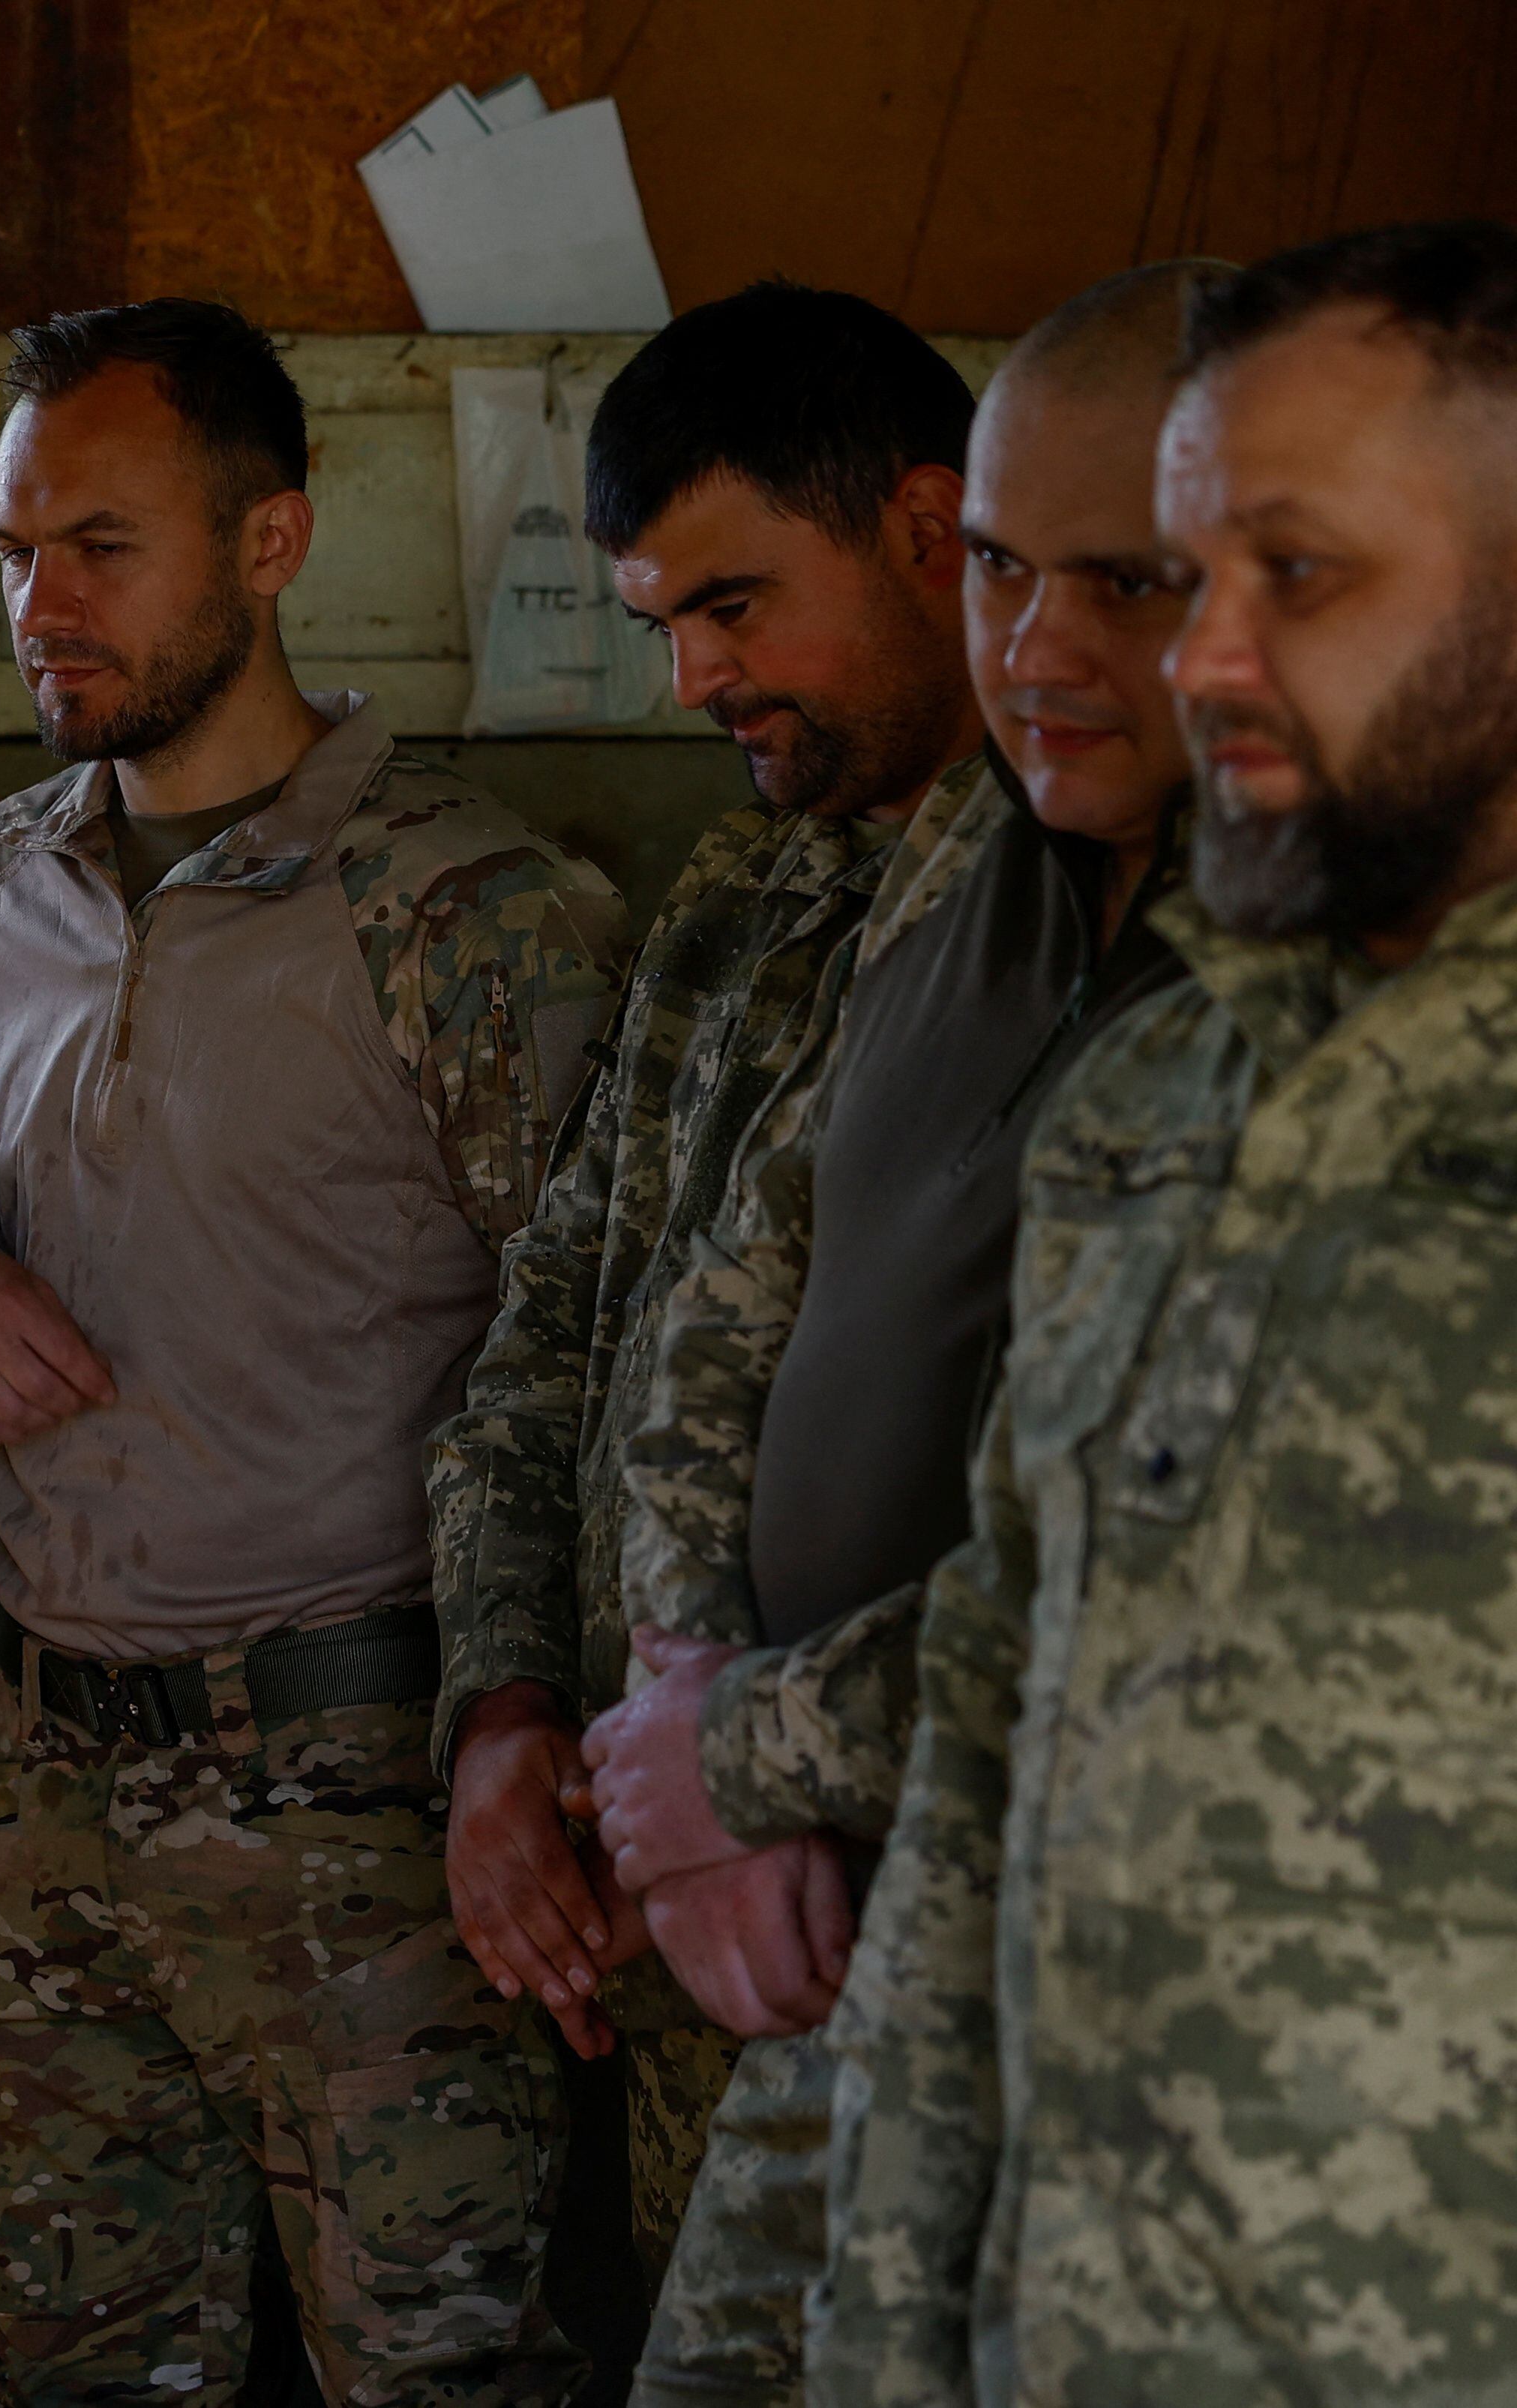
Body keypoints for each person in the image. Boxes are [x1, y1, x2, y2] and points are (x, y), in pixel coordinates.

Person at [0, 295, 622, 2404]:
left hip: (367, 1794)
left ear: (270, 544)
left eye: (101, 546)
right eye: (14, 554)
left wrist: (526, 1738)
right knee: (77, 2370)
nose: (40, 606)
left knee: (441, 2377)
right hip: (45, 1794)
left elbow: (605, 1359)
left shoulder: (461, 907)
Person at [815, 218, 1517, 2405]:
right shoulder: (1162, 1088)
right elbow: (980, 1787)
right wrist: (888, 2343)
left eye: (1288, 577)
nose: (1193, 664)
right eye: (1179, 575)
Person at [571, 260, 1216, 2407]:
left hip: (1118, 1948)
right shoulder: (973, 881)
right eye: (1006, 577)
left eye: (1114, 579)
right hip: (851, 1918)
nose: (1028, 643)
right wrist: (682, 1707)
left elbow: (1149, 1547)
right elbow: (716, 1315)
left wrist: (732, 1755)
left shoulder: (1316, 983)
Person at [426, 280, 987, 2318]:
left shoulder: (1121, 916)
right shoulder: (740, 901)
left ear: (934, 530)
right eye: (665, 620)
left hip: (909, 1894)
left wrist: (755, 1763)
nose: (691, 680)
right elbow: (558, 1344)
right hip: (660, 1889)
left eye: (735, 605)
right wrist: (500, 1718)